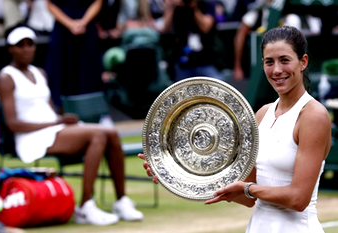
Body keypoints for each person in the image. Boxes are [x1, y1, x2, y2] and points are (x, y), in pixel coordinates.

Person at [139, 25, 331, 232]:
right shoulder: (262, 114)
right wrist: (175, 175)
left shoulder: (313, 116)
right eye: (269, 62)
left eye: (284, 60)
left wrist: (247, 188)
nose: (276, 70)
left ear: (303, 62)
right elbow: (248, 198)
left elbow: (298, 198)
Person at [0, 24, 143, 226]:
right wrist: (56, 122)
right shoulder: (5, 78)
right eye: (21, 45)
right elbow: (13, 124)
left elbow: (47, 110)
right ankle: (84, 206)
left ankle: (121, 200)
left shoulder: (39, 73)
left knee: (111, 133)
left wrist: (61, 119)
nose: (27, 49)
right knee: (98, 135)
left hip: (53, 129)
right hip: (30, 138)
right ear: (10, 48)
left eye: (30, 44)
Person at [232, 0, 322, 81]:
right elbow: (240, 36)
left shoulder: (295, 17)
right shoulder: (257, 12)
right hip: (260, 70)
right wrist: (237, 67)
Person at [45, 0, 105, 110]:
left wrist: (83, 22)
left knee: (87, 69)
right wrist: (70, 24)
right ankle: (62, 110)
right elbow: (50, 4)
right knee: (62, 69)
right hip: (63, 30)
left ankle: (90, 110)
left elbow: (98, 2)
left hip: (86, 29)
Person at [160, 0, 225, 82]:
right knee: (181, 91)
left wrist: (194, 7)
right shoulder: (177, 7)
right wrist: (171, 6)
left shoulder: (206, 4)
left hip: (205, 59)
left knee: (217, 86)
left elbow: (206, 27)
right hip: (182, 61)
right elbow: (165, 28)